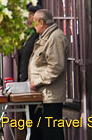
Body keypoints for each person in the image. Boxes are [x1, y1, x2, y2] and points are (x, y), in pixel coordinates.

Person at [28, 9, 69, 140]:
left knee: (51, 133)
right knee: (41, 132)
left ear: (41, 22)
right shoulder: (46, 36)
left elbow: (56, 66)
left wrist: (37, 81)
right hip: (42, 95)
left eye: (34, 22)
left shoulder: (55, 37)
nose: (32, 25)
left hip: (50, 97)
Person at [17, 4, 44, 82]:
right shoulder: (26, 33)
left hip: (31, 80)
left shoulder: (38, 35)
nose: (26, 17)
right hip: (22, 76)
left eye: (29, 14)